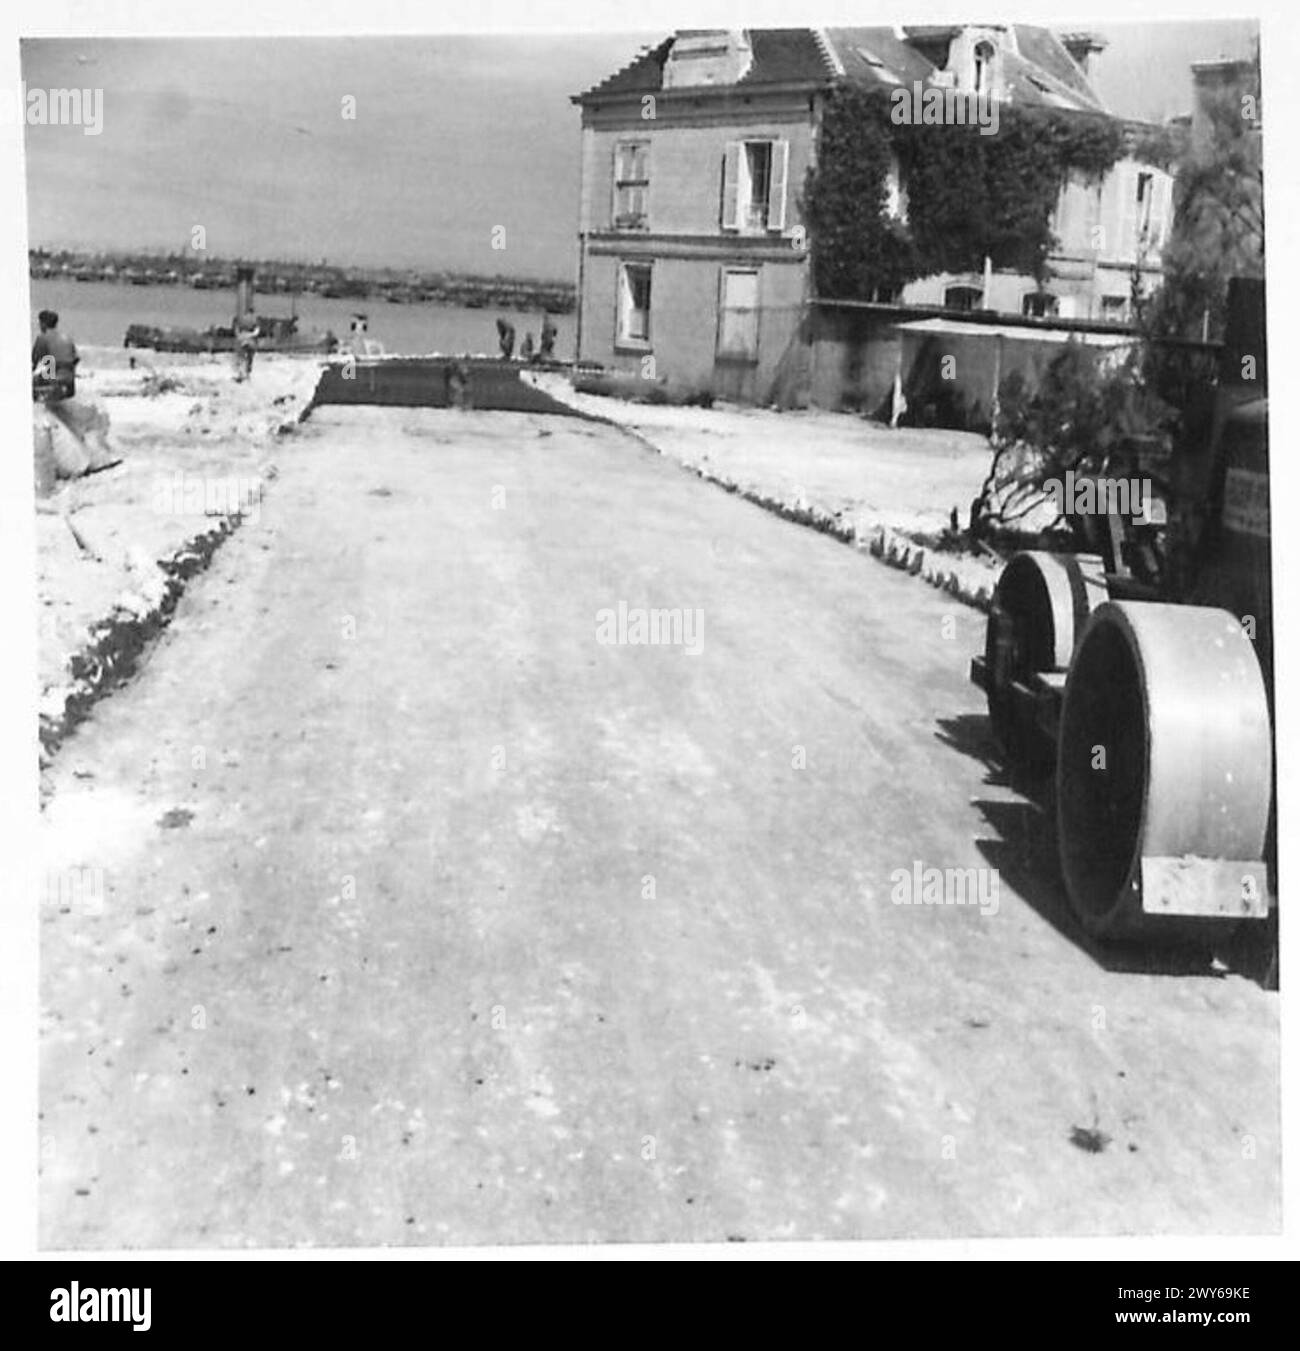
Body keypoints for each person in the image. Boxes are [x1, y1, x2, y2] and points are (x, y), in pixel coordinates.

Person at [32, 310, 78, 401]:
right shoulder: (67, 337)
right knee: (50, 362)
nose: (39, 325)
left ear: (43, 324)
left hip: (53, 379)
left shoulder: (42, 337)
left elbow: (34, 361)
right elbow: (76, 359)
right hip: (70, 381)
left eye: (40, 323)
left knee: (33, 381)